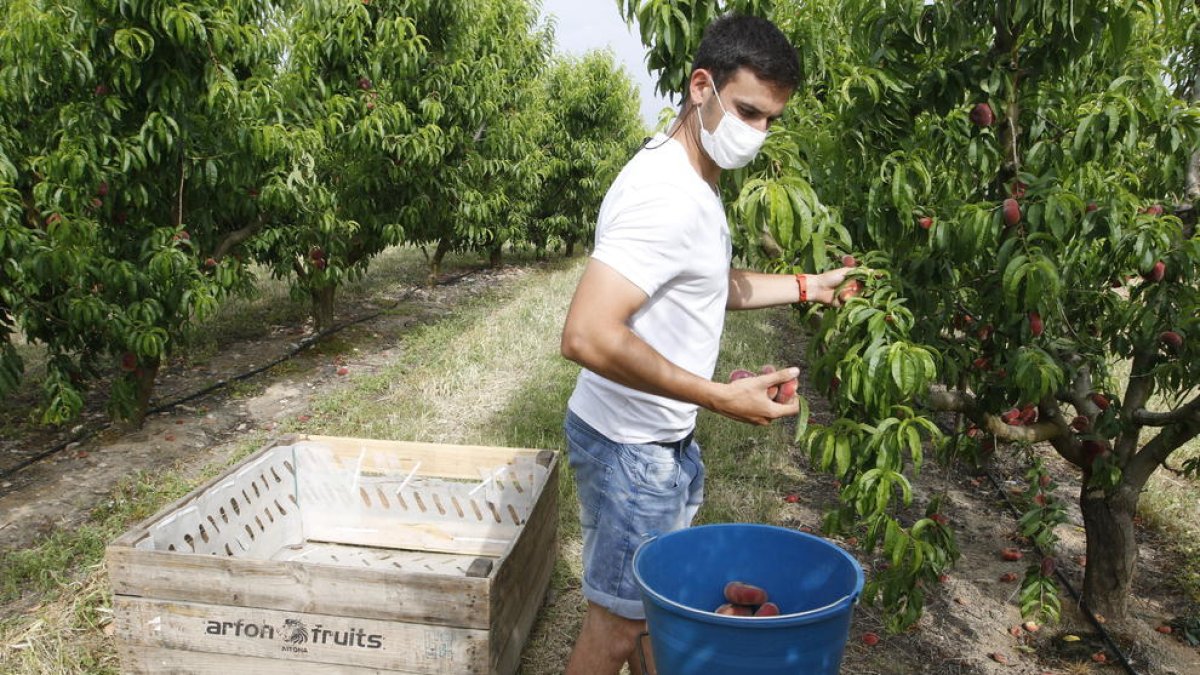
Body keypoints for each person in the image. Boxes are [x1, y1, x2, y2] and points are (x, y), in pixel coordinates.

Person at [558, 13, 855, 675]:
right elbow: (585, 333)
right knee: (614, 627)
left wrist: (811, 285)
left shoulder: (690, 176)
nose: (758, 132)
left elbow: (704, 283)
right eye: (749, 111)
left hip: (649, 443)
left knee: (646, 617)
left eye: (772, 120)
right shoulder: (664, 196)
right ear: (702, 86)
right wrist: (717, 396)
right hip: (631, 450)